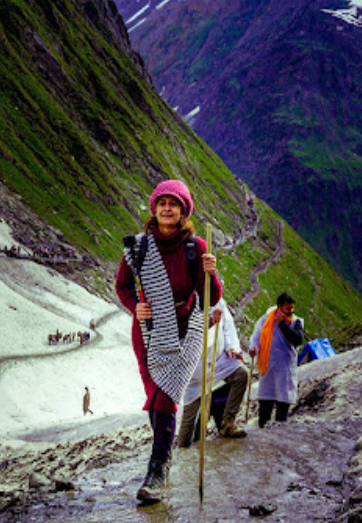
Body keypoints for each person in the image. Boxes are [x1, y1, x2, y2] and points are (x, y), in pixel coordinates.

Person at [116, 179, 221, 503]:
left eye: (173, 203)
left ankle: (158, 470)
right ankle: (162, 458)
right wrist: (137, 307)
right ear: (154, 207)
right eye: (162, 202)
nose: (167, 208)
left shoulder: (196, 248)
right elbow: (122, 286)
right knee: (156, 394)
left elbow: (211, 297)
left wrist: (211, 272)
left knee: (166, 393)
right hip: (147, 332)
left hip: (183, 330)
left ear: (183, 210)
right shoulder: (139, 247)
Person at [177, 298, 249, 447]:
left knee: (241, 374)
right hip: (194, 366)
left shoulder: (217, 300)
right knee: (187, 432)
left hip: (218, 359)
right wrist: (209, 321)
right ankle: (180, 448)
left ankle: (227, 422)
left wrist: (232, 347)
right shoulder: (187, 299)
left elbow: (227, 326)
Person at [249, 293, 304, 428]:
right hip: (268, 367)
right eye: (287, 308)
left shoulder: (296, 322)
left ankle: (279, 437)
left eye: (292, 308)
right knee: (265, 405)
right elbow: (256, 337)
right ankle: (262, 434)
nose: (291, 311)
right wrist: (253, 348)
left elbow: (297, 339)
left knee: (282, 407)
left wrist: (282, 324)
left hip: (285, 369)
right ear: (279, 307)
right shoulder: (265, 320)